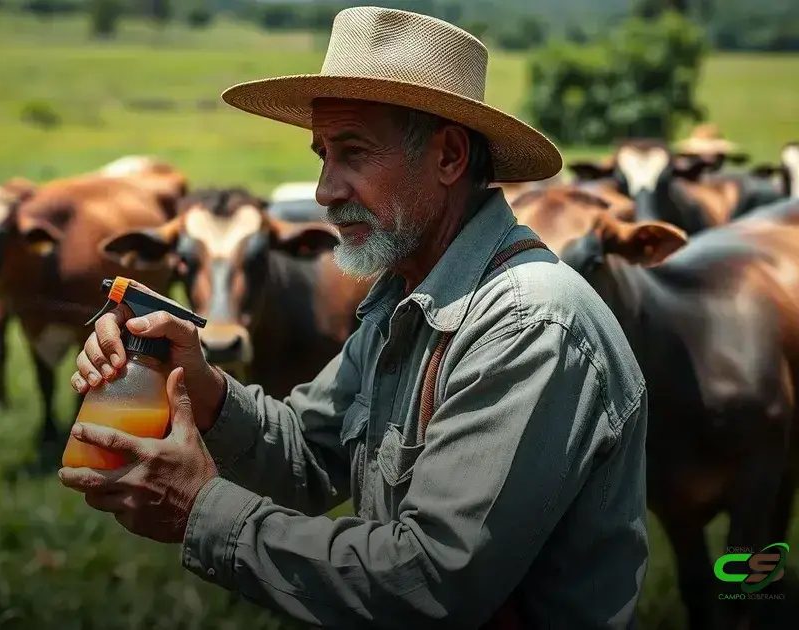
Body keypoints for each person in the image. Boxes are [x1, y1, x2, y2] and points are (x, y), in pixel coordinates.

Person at [59, 6, 650, 629]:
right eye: (322, 155)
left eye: (354, 153)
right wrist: (196, 384)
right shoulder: (407, 296)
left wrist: (200, 510)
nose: (324, 190)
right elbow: (307, 453)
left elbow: (429, 581)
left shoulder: (528, 325)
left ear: (449, 156)